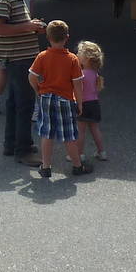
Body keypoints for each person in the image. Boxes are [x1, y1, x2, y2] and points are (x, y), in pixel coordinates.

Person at [0, 0, 45, 167]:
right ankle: (23, 149)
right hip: (17, 58)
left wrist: (31, 26)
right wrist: (29, 26)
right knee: (25, 104)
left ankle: (11, 143)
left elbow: (9, 26)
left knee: (14, 102)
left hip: (19, 57)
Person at [28, 19, 90, 178]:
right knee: (68, 135)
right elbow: (77, 84)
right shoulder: (72, 59)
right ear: (67, 37)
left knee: (47, 134)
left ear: (48, 37)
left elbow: (32, 77)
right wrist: (79, 102)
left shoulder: (42, 56)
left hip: (46, 98)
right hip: (65, 99)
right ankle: (77, 166)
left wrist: (38, 90)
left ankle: (46, 166)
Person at [76, 40, 107, 162]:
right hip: (94, 104)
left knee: (81, 131)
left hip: (83, 104)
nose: (77, 55)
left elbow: (77, 88)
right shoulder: (95, 73)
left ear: (87, 58)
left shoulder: (81, 74)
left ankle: (79, 154)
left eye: (79, 53)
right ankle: (101, 151)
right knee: (95, 129)